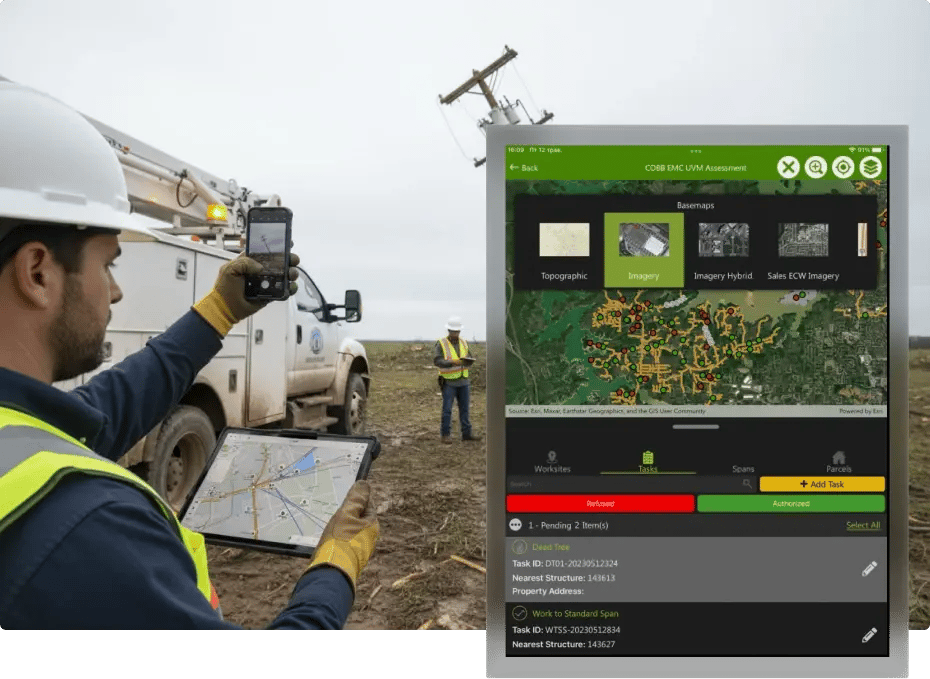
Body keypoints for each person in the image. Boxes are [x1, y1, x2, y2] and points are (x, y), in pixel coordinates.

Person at [0, 81, 378, 629]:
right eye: (108, 264)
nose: (115, 292)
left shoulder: (22, 440)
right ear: (38, 272)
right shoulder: (86, 526)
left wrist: (218, 312)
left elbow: (104, 411)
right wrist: (334, 569)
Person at [434, 316, 480, 444]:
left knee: (465, 409)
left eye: (457, 331)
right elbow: (437, 361)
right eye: (453, 331)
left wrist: (468, 361)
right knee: (447, 410)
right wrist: (451, 362)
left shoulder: (464, 342)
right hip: (449, 382)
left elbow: (469, 357)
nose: (455, 334)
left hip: (464, 381)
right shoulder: (441, 343)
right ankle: (445, 435)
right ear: (449, 331)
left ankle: (466, 434)